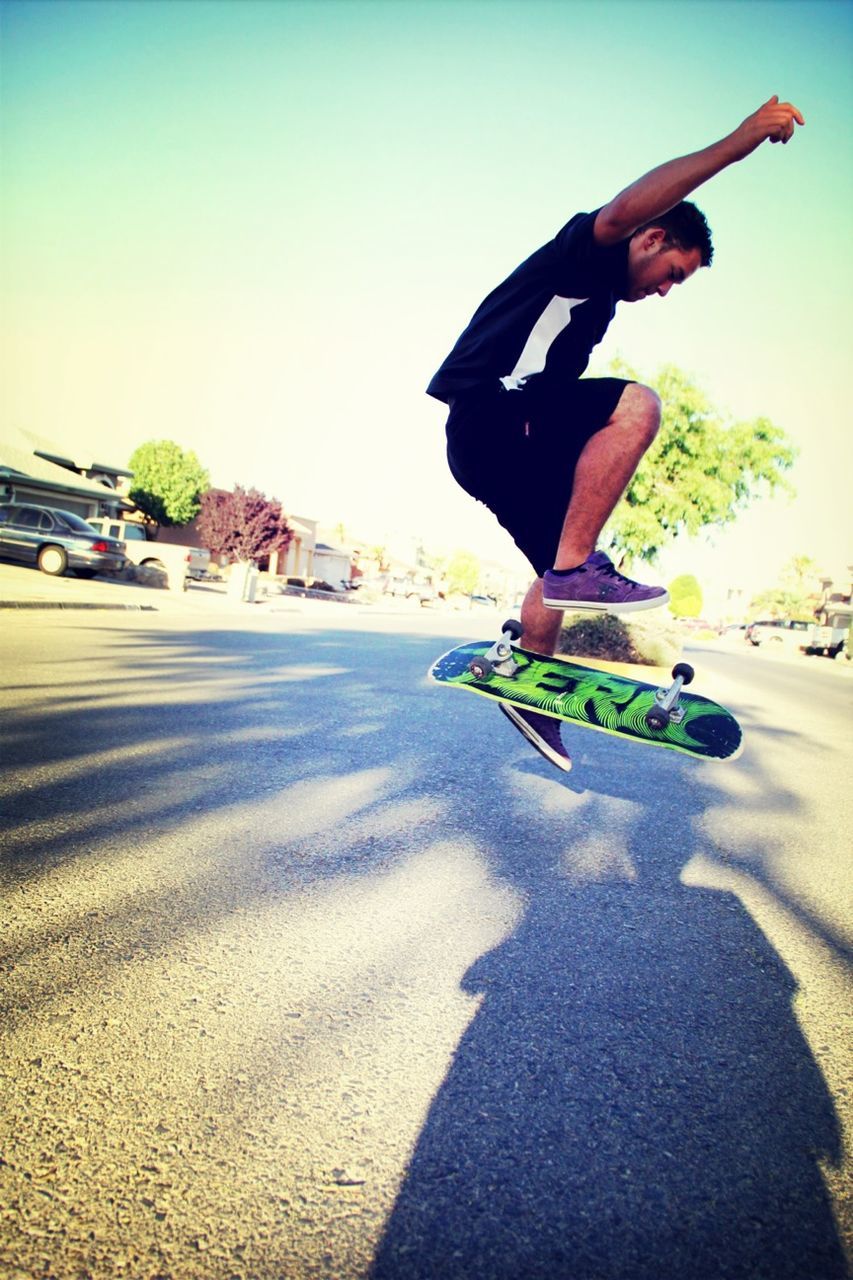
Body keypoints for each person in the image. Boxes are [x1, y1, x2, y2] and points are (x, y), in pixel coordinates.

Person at [427, 96, 804, 772]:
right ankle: (577, 570)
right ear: (653, 240)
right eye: (672, 274)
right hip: (491, 413)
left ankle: (529, 691)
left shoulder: (595, 303)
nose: (665, 290)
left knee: (557, 569)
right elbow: (624, 210)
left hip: (496, 441)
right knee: (637, 406)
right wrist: (738, 141)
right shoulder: (585, 257)